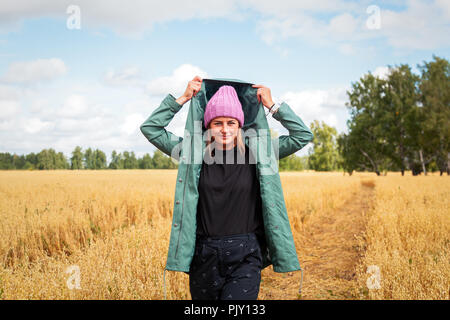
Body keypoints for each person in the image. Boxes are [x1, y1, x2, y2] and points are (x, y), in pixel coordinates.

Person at [140, 75, 314, 300]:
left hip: (246, 254)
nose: (224, 129)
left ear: (240, 125)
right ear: (208, 124)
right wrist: (182, 98)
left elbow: (302, 135)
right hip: (204, 255)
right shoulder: (191, 154)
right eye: (217, 122)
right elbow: (151, 128)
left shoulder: (260, 153)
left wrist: (273, 106)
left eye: (231, 122)